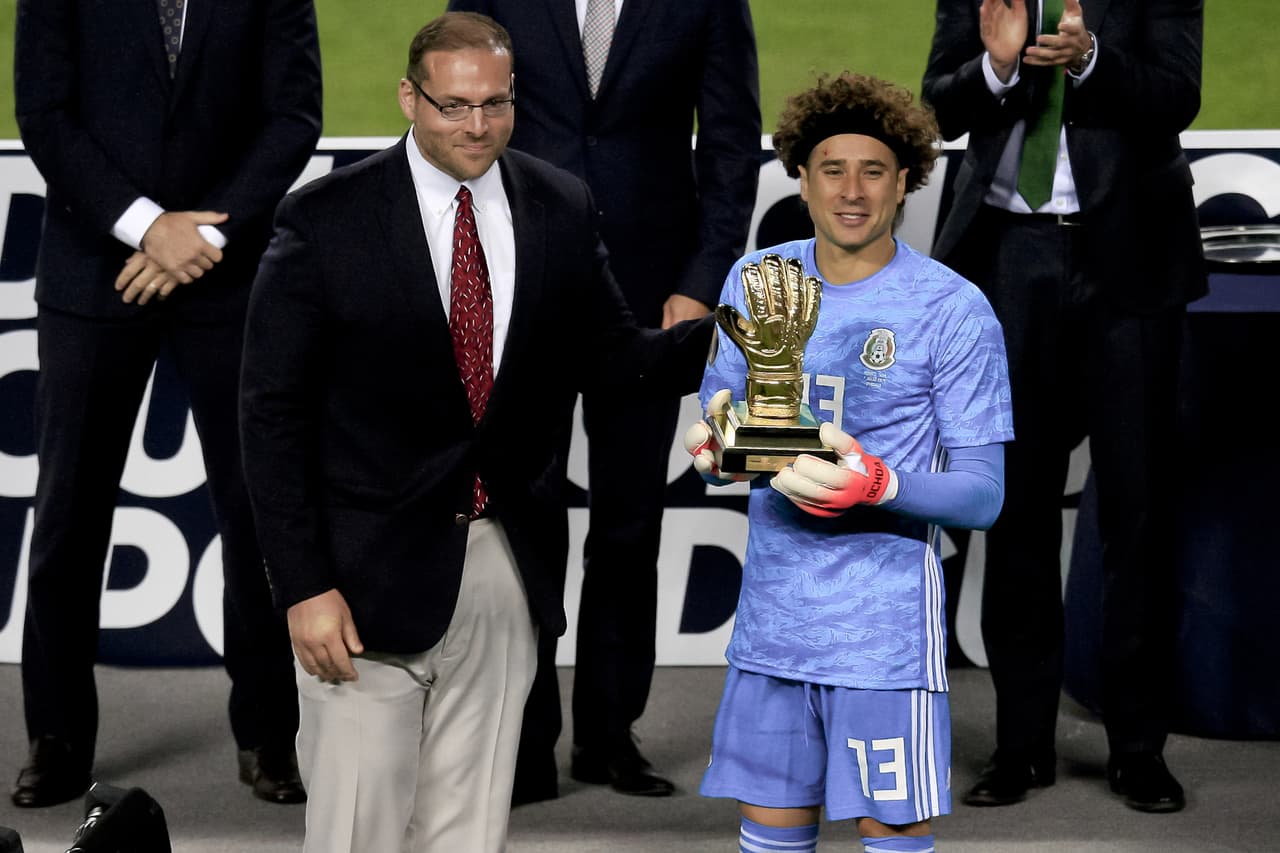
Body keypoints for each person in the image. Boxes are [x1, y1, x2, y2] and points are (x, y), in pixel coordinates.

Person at [238, 12, 714, 852]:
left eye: (495, 103)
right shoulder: (323, 220)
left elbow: (616, 359)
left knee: (469, 832)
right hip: (361, 579)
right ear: (409, 98)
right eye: (454, 105)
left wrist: (740, 340)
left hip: (502, 563)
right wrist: (303, 584)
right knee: (358, 832)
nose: (477, 125)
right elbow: (270, 417)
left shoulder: (558, 204)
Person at [683, 72, 1013, 853]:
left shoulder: (952, 308)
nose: (852, 190)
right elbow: (717, 441)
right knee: (770, 834)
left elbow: (984, 494)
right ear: (801, 178)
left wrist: (881, 484)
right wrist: (715, 454)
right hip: (771, 626)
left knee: (889, 832)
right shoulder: (760, 284)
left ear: (906, 182)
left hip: (883, 638)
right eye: (832, 169)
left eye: (874, 170)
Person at [443, 0, 762, 801]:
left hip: (655, 295)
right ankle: (521, 740)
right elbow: (454, 115)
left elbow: (730, 142)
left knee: (630, 522)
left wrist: (701, 280)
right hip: (519, 286)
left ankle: (609, 735)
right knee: (523, 522)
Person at [11, 0, 321, 808]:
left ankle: (269, 734)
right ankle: (57, 737)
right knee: (68, 511)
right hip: (92, 273)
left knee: (257, 510)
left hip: (231, 275)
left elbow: (293, 117)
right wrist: (149, 226)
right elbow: (44, 112)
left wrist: (204, 237)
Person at [921, 0, 1205, 813]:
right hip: (1009, 261)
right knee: (1015, 511)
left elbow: (1177, 95)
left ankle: (1138, 747)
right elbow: (939, 104)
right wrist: (999, 68)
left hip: (1132, 267)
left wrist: (1088, 62)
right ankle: (1020, 747)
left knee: (1138, 512)